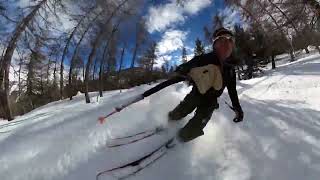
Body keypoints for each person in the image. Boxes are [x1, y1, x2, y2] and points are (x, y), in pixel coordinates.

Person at [168, 27, 244, 142]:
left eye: (229, 41)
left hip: (211, 102)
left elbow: (232, 91)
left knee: (197, 125)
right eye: (221, 40)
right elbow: (191, 64)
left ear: (232, 46)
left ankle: (181, 139)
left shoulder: (230, 70)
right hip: (196, 94)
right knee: (180, 111)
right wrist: (182, 70)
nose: (225, 44)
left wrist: (237, 108)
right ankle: (168, 123)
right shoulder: (206, 58)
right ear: (215, 45)